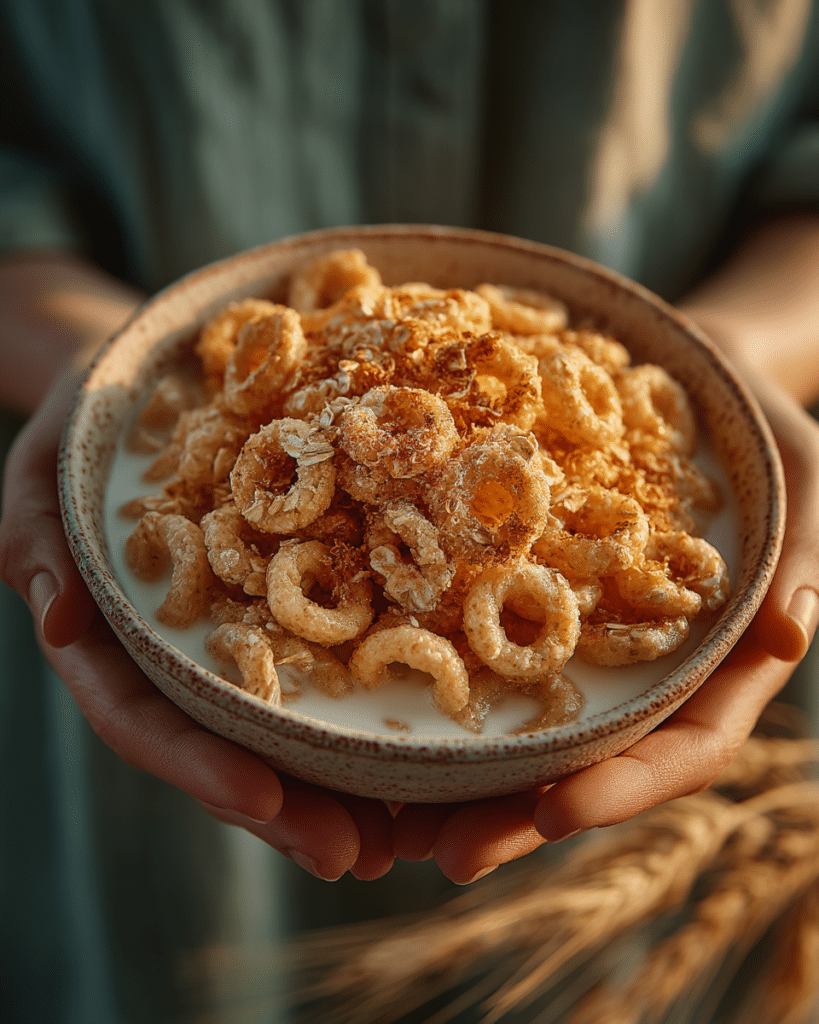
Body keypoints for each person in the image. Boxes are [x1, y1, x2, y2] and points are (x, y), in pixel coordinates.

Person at [2, 2, 819, 1020]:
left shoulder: (593, 498)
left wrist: (742, 347)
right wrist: (87, 355)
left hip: (611, 855)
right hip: (157, 782)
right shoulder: (246, 458)